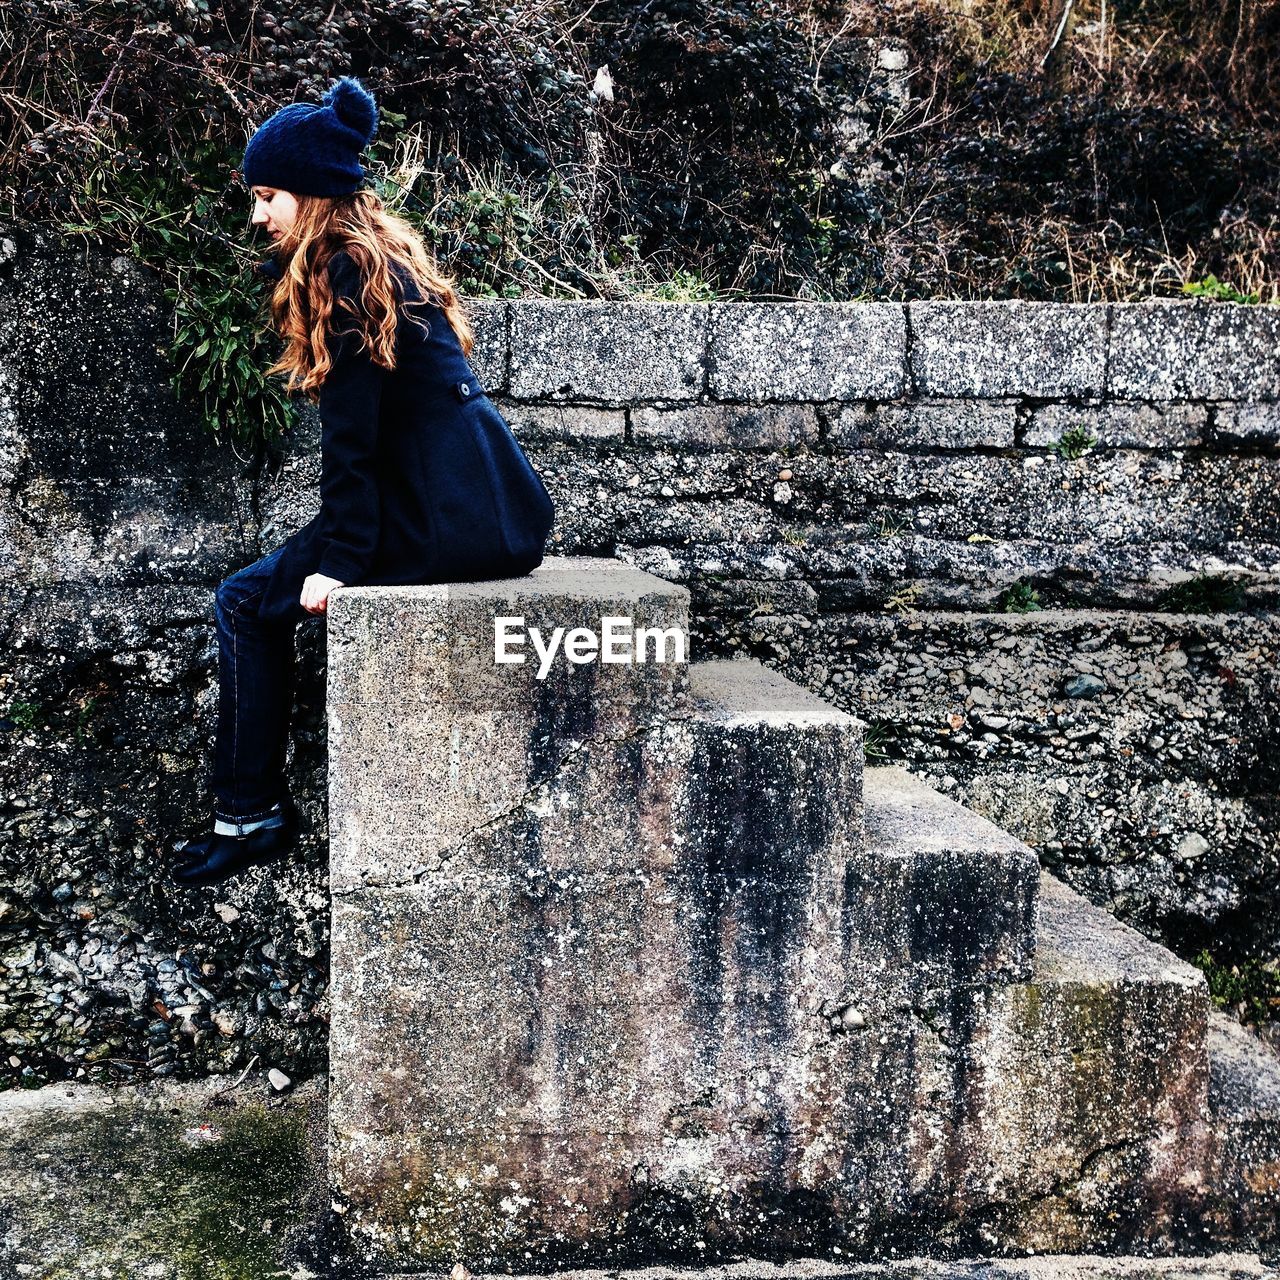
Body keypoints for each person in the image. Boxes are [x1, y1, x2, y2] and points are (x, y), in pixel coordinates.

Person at [171, 75, 555, 888]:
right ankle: (247, 811)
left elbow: (355, 445)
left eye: (268, 195)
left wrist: (338, 563)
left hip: (438, 512)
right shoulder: (377, 258)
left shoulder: (344, 276)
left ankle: (249, 817)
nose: (257, 215)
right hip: (486, 504)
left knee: (243, 602)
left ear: (310, 193)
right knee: (253, 594)